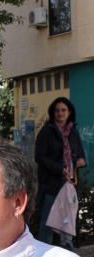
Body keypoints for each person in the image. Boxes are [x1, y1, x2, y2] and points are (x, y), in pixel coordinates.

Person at [34, 96, 87, 247]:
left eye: (63, 110)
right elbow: (39, 157)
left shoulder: (73, 132)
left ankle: (66, 255)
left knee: (67, 223)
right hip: (52, 184)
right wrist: (59, 168)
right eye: (57, 110)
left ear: (69, 112)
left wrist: (81, 160)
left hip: (70, 183)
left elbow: (80, 153)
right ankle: (44, 254)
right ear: (53, 113)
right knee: (48, 223)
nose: (60, 113)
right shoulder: (47, 131)